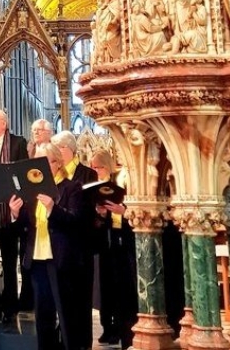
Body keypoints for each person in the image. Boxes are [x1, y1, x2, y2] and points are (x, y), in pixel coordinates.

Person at [9, 142, 83, 350]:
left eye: (43, 162)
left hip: (61, 260)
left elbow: (76, 220)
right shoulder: (32, 190)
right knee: (43, 317)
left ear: (56, 163)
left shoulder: (71, 187)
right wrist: (16, 214)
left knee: (67, 316)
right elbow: (26, 223)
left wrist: (53, 208)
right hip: (37, 260)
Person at [51, 131, 98, 349]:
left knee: (81, 298)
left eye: (59, 149)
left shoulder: (86, 174)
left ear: (69, 150)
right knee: (64, 300)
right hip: (60, 244)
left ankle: (83, 342)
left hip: (80, 244)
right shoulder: (52, 178)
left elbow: (86, 211)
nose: (58, 154)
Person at [89, 149, 137, 349]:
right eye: (93, 167)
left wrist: (122, 211)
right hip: (105, 241)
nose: (95, 170)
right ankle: (108, 327)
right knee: (104, 287)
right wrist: (99, 213)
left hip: (123, 241)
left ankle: (122, 329)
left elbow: (132, 210)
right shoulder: (97, 185)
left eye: (98, 167)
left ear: (107, 166)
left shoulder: (121, 181)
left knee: (121, 288)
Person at [0, 107, 29, 321]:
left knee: (10, 261)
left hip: (10, 209)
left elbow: (23, 174)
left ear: (4, 123)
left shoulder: (17, 143)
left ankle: (11, 305)